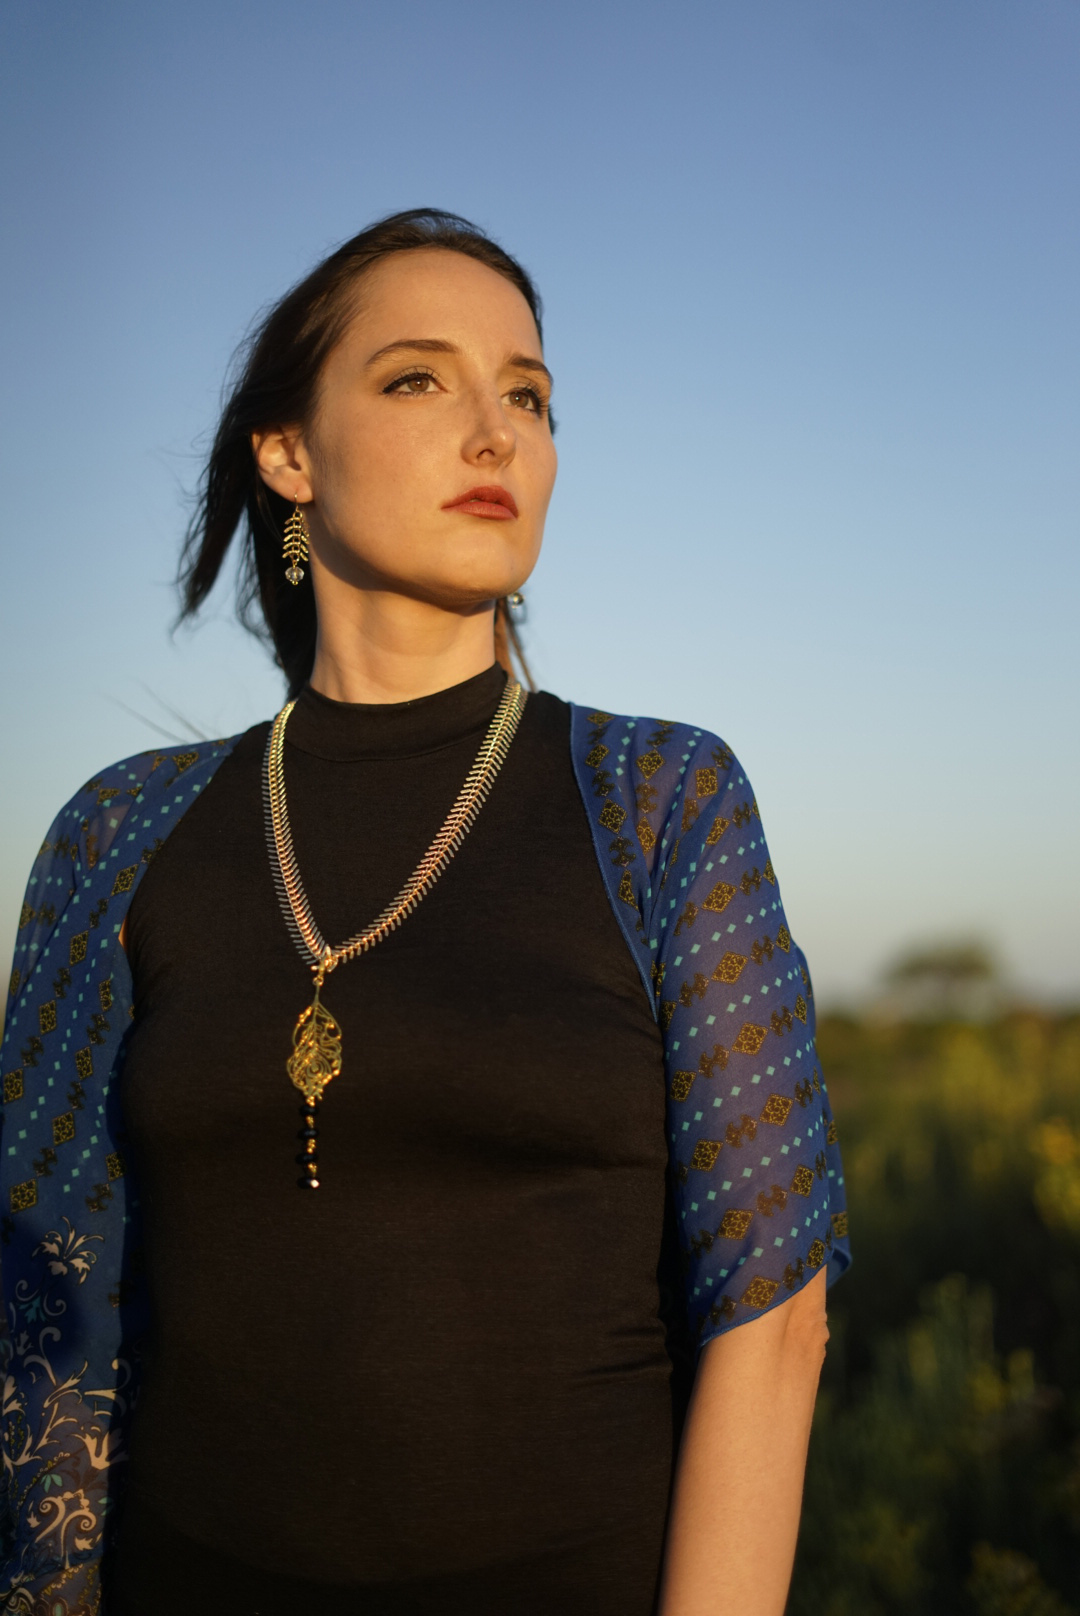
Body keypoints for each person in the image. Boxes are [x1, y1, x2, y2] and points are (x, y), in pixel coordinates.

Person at [0, 209, 849, 1616]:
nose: (496, 433)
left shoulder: (658, 802)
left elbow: (772, 1315)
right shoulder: (122, 832)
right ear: (288, 453)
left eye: (530, 396)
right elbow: (45, 1312)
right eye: (417, 380)